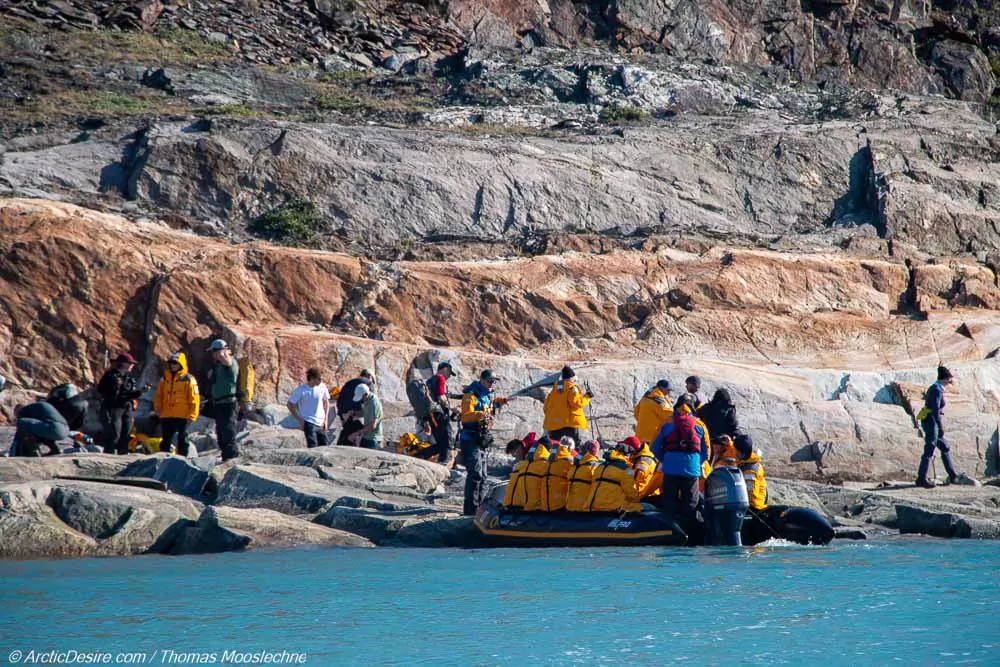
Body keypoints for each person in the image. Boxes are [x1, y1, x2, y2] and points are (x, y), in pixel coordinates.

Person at [459, 369, 510, 515]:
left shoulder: (488, 395)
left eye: (494, 382)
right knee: (475, 474)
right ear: (482, 380)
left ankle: (479, 508)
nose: (492, 384)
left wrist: (501, 402)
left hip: (482, 439)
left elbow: (492, 404)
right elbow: (466, 416)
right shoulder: (471, 395)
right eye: (490, 381)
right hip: (470, 438)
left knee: (484, 477)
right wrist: (482, 414)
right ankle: (470, 510)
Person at [652, 393, 708, 520]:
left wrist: (665, 459)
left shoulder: (667, 423)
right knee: (691, 504)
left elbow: (654, 447)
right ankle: (691, 532)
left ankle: (670, 532)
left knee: (669, 504)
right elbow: (706, 452)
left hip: (670, 468)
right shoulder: (700, 425)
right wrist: (695, 463)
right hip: (691, 470)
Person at [916, 365, 960, 488]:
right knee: (930, 448)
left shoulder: (936, 388)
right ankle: (921, 478)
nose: (950, 382)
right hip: (931, 421)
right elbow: (935, 410)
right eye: (949, 379)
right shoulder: (936, 389)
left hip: (931, 420)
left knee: (944, 447)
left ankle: (952, 475)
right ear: (945, 379)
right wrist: (940, 427)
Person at [152, 352, 200, 456]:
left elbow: (195, 398)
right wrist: (157, 409)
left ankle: (182, 461)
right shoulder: (164, 378)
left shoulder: (189, 379)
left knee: (183, 439)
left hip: (183, 415)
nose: (173, 365)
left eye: (175, 363)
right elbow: (158, 396)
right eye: (172, 363)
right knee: (165, 439)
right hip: (167, 414)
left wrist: (192, 415)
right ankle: (163, 459)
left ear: (181, 364)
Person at [97, 352, 143, 455]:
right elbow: (109, 393)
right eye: (130, 363)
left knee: (126, 434)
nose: (132, 365)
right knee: (114, 435)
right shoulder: (110, 376)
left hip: (127, 408)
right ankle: (109, 455)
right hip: (113, 408)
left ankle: (123, 455)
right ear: (123, 364)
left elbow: (128, 393)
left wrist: (136, 394)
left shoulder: (128, 378)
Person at [206, 339, 241, 461]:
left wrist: (223, 353)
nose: (213, 354)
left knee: (228, 432)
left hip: (229, 403)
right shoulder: (218, 366)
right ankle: (225, 457)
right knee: (220, 433)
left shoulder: (230, 363)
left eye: (214, 351)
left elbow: (228, 363)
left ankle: (232, 459)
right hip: (219, 404)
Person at [542, 366, 592, 444]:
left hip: (554, 424)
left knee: (555, 445)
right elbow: (577, 403)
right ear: (572, 378)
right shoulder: (571, 388)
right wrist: (587, 397)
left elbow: (546, 407)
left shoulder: (554, 390)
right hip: (570, 424)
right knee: (573, 446)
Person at [585, 445, 643, 513]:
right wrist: (638, 501)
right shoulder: (625, 469)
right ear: (626, 455)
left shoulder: (600, 466)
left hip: (590, 506)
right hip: (608, 508)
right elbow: (630, 490)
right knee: (636, 506)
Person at [287, 367, 331, 449]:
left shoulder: (322, 387)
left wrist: (326, 419)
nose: (321, 381)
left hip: (321, 422)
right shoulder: (301, 390)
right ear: (312, 378)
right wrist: (299, 419)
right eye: (319, 379)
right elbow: (290, 404)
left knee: (325, 446)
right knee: (312, 446)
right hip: (309, 422)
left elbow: (326, 402)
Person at [427, 361, 456, 466]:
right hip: (440, 414)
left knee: (440, 443)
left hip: (431, 414)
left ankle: (418, 455)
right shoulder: (440, 378)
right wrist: (453, 408)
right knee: (447, 439)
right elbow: (441, 397)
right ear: (445, 369)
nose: (449, 376)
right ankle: (443, 462)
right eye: (449, 373)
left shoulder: (430, 380)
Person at [513, 436, 552, 511]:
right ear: (549, 450)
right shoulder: (547, 465)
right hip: (539, 509)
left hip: (522, 508)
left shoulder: (522, 464)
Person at [733, 433, 767, 511]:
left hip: (754, 509)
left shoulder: (750, 471)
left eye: (735, 449)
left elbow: (751, 496)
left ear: (741, 451)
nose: (733, 450)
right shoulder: (744, 461)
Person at [566, 440, 602, 511]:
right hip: (584, 508)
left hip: (569, 506)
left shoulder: (574, 464)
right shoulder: (595, 466)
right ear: (595, 451)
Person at [634, 379, 673, 444]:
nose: (668, 393)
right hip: (653, 437)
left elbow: (636, 412)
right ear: (661, 388)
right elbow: (669, 416)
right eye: (668, 390)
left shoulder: (644, 398)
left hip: (640, 435)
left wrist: (645, 422)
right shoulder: (660, 401)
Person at [543, 436, 575, 511]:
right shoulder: (570, 464)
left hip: (545, 505)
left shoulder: (548, 462)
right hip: (560, 505)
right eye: (572, 449)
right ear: (569, 448)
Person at [623, 435, 661, 499]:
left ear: (632, 449)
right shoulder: (639, 456)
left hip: (645, 497)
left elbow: (639, 487)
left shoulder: (643, 463)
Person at [356, 383, 383, 450]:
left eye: (361, 397)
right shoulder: (367, 400)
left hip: (373, 439)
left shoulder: (374, 403)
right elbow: (364, 413)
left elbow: (373, 425)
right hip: (366, 436)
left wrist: (357, 433)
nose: (361, 399)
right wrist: (354, 413)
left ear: (365, 394)